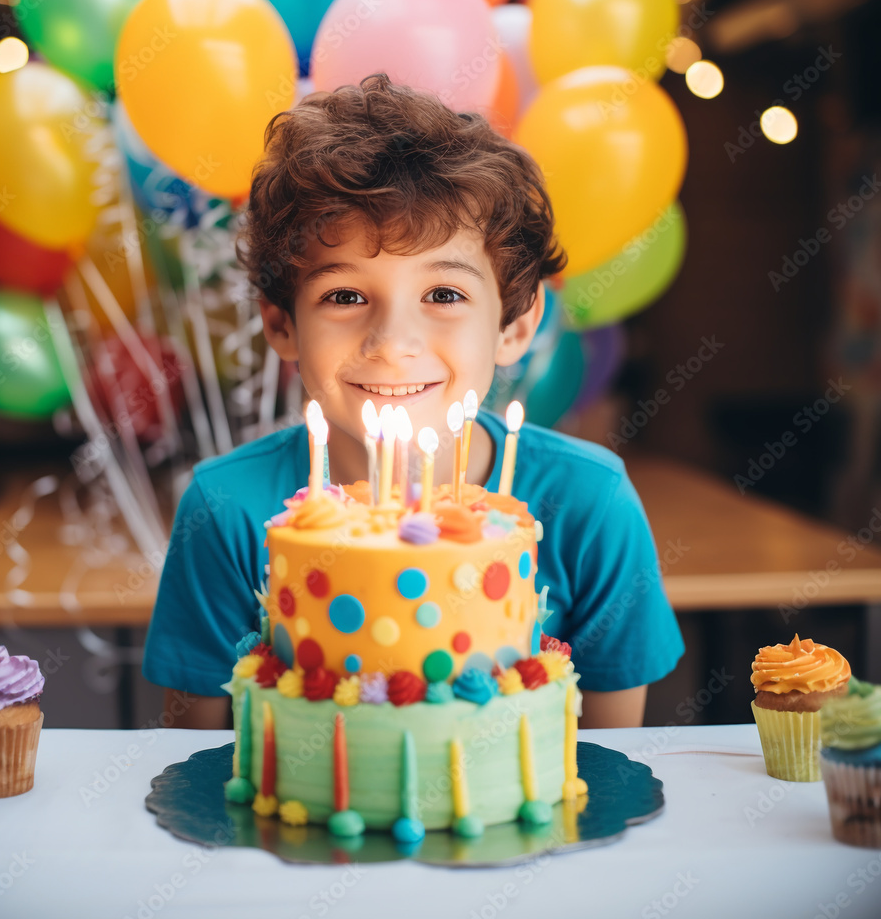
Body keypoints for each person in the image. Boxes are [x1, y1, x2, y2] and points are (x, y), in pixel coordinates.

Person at [143, 72, 684, 730]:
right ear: (282, 324)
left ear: (515, 325)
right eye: (344, 296)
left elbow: (609, 763)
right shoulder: (225, 511)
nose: (394, 342)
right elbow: (193, 761)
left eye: (444, 295)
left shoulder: (589, 505)